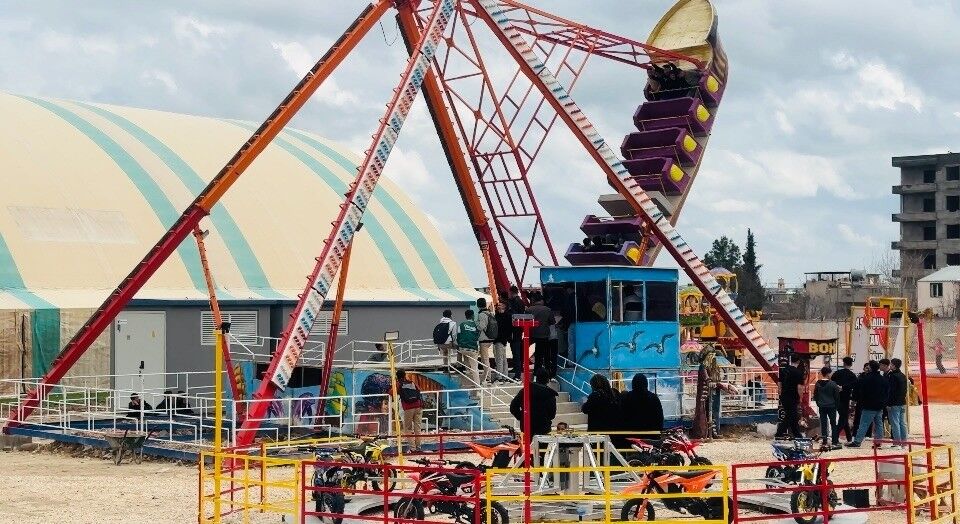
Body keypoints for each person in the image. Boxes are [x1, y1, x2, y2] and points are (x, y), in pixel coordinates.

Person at [848, 360, 889, 448]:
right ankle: (878, 442)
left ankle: (857, 442)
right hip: (880, 406)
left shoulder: (865, 379)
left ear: (870, 367)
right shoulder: (883, 379)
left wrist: (855, 400)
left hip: (868, 405)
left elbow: (859, 391)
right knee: (879, 424)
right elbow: (887, 392)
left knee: (864, 424)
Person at [509, 368, 558, 437]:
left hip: (527, 426)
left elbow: (513, 407)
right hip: (543, 427)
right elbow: (552, 414)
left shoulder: (525, 391)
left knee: (528, 447)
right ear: (547, 380)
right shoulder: (550, 394)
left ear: (536, 378)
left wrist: (522, 417)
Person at [581, 374, 622, 446]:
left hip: (598, 432)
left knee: (599, 455)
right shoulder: (614, 393)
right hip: (613, 430)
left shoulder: (595, 395)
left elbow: (585, 409)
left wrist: (585, 402)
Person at [619, 373, 664, 440]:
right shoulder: (654, 398)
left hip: (631, 436)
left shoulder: (627, 397)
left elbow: (622, 416)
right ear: (646, 383)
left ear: (633, 384)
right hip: (651, 436)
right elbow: (659, 418)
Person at [526, 291, 556, 377]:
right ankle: (547, 373)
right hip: (544, 336)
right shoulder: (547, 310)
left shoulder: (529, 310)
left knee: (537, 356)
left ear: (533, 300)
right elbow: (552, 322)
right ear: (541, 300)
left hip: (532, 335)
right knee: (546, 356)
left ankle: (536, 372)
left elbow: (526, 322)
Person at [776, 354, 805, 438]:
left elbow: (779, 383)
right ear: (798, 362)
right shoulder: (798, 373)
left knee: (793, 415)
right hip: (793, 396)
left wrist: (780, 393)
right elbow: (799, 387)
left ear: (790, 360)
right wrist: (801, 397)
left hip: (784, 396)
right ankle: (779, 433)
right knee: (790, 415)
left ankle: (797, 434)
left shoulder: (783, 370)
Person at [813, 367, 841, 449]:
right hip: (832, 406)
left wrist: (818, 404)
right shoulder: (833, 384)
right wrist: (836, 405)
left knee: (824, 423)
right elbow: (837, 396)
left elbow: (816, 395)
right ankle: (835, 441)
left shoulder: (818, 383)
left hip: (822, 406)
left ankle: (824, 440)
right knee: (833, 424)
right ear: (828, 373)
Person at [395, 369, 423, 451]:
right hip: (418, 406)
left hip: (408, 407)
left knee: (408, 428)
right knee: (417, 427)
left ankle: (412, 448)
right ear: (404, 375)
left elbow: (392, 392)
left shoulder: (398, 384)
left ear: (397, 376)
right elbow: (418, 390)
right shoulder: (412, 382)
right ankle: (419, 447)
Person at [832, 357, 858, 443]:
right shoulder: (852, 375)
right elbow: (855, 386)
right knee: (843, 418)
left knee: (843, 417)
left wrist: (839, 387)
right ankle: (834, 436)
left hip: (836, 398)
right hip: (846, 398)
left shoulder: (837, 373)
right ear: (851, 364)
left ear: (843, 363)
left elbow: (832, 383)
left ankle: (849, 437)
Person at [456, 309, 481, 393]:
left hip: (462, 348)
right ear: (473, 316)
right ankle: (477, 386)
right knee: (475, 368)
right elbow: (478, 337)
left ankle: (467, 379)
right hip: (473, 349)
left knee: (466, 361)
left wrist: (460, 345)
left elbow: (458, 336)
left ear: (465, 316)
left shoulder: (461, 325)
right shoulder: (476, 325)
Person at [886, 358, 908, 446]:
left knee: (895, 423)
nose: (890, 366)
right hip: (902, 402)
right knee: (902, 423)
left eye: (891, 364)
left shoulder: (893, 376)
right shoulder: (902, 375)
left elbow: (891, 391)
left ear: (894, 366)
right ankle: (904, 441)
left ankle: (897, 442)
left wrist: (889, 403)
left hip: (894, 403)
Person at [476, 298, 496, 383]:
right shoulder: (490, 313)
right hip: (491, 338)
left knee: (485, 359)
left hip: (484, 339)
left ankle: (487, 377)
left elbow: (481, 326)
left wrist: (475, 323)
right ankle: (487, 376)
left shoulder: (481, 315)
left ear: (478, 305)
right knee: (485, 358)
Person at [507, 286, 525, 379]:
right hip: (518, 330)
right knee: (516, 351)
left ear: (511, 292)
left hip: (515, 330)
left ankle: (517, 373)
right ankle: (516, 368)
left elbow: (514, 315)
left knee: (516, 352)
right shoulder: (520, 301)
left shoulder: (515, 302)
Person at [492, 302, 512, 381]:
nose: (498, 306)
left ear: (504, 306)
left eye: (500, 305)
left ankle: (499, 376)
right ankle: (505, 375)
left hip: (499, 339)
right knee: (503, 358)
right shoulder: (507, 316)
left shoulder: (497, 316)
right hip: (503, 339)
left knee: (499, 358)